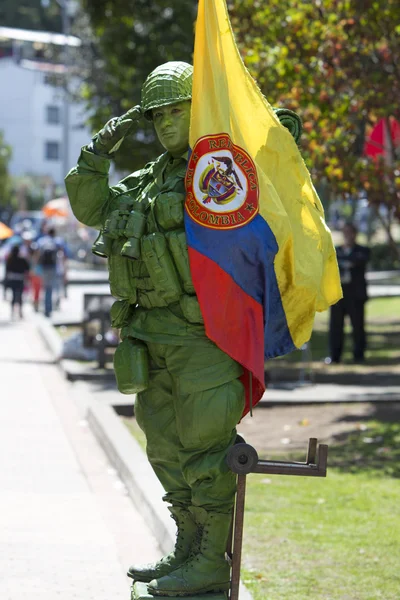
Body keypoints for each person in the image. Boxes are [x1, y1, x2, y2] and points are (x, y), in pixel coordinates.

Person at [65, 62, 302, 597]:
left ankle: (212, 560)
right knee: (165, 449)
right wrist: (97, 152)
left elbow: (278, 156)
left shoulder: (219, 169)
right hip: (148, 339)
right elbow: (92, 207)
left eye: (177, 110)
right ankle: (189, 549)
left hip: (203, 339)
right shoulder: (146, 179)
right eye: (157, 116)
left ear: (200, 111)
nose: (166, 123)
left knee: (204, 449)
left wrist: (262, 118)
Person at [327, 222, 370, 364]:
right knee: (335, 326)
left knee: (358, 326)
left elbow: (359, 261)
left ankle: (359, 355)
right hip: (339, 295)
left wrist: (344, 262)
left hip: (356, 296)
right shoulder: (336, 250)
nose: (347, 235)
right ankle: (335, 356)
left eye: (350, 232)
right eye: (345, 232)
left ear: (355, 234)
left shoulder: (362, 250)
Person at [36, 227, 65, 317]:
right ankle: (49, 307)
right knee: (51, 288)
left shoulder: (42, 241)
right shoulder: (57, 241)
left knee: (45, 288)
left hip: (43, 267)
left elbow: (37, 253)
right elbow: (62, 254)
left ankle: (45, 307)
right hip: (53, 267)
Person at [5, 244, 30, 319]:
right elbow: (27, 268)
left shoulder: (10, 259)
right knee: (20, 296)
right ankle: (20, 312)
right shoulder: (22, 259)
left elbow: (7, 271)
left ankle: (13, 312)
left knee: (13, 296)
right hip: (20, 279)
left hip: (12, 279)